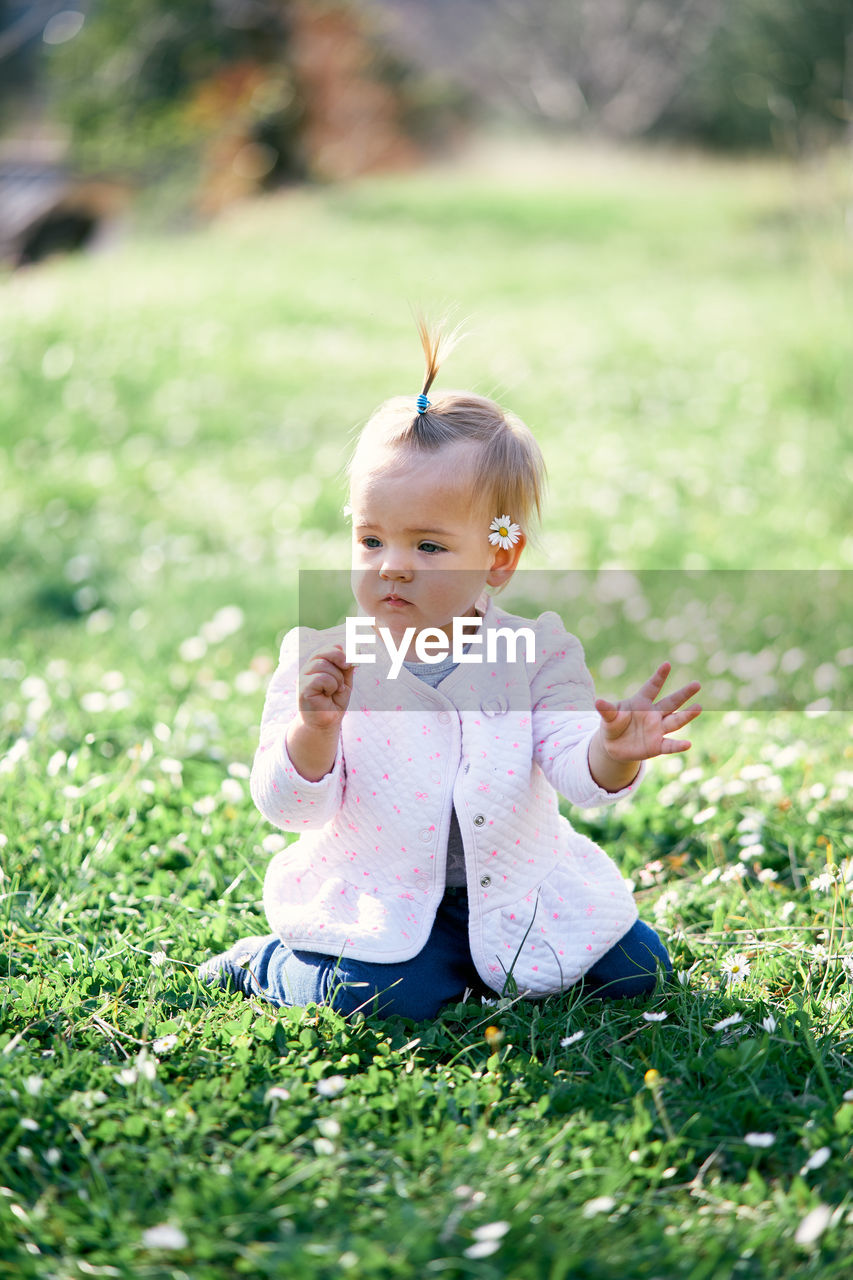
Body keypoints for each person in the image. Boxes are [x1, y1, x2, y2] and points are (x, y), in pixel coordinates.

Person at [199, 321, 702, 1019]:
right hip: (383, 896)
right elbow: (291, 809)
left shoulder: (537, 654)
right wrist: (313, 735)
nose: (391, 565)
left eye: (429, 546)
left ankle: (475, 963)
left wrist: (609, 754)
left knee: (637, 973)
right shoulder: (323, 663)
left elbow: (574, 772)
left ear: (498, 559)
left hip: (521, 891)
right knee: (379, 1000)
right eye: (370, 539)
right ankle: (270, 965)